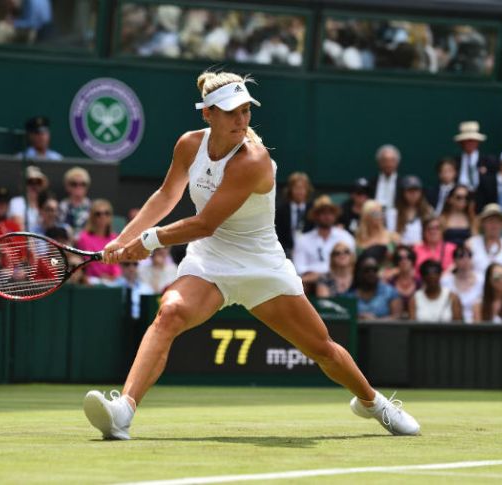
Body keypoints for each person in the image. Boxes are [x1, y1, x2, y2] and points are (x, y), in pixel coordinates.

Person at [82, 70, 420, 440]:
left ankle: (375, 404)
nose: (241, 120)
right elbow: (166, 195)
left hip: (261, 266)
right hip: (209, 260)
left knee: (322, 348)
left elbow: (205, 222)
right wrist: (122, 239)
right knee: (169, 313)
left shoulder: (253, 161)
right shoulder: (188, 146)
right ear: (207, 114)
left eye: (246, 111)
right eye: (231, 112)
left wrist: (145, 243)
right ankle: (122, 413)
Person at [292, 195, 356, 291]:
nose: (327, 216)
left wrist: (327, 275)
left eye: (330, 213)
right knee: (301, 284)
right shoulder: (303, 240)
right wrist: (319, 276)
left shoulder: (345, 237)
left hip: (341, 279)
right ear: (316, 216)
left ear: (335, 216)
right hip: (310, 282)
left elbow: (352, 263)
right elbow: (299, 268)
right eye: (323, 213)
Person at [466, 204, 502, 281]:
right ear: (483, 223)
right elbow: (463, 268)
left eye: (497, 221)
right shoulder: (471, 243)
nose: (494, 225)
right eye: (490, 221)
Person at [75, 199, 122, 285]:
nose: (103, 216)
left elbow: (116, 264)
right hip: (90, 281)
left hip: (113, 280)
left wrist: (112, 277)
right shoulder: (84, 237)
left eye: (106, 213)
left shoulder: (115, 238)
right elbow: (87, 263)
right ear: (92, 217)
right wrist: (102, 277)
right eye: (98, 214)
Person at [347, 255, 402, 321]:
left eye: (375, 270)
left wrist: (376, 320)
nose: (371, 273)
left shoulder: (390, 292)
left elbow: (397, 317)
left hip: (384, 330)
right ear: (359, 272)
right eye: (367, 270)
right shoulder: (350, 296)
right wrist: (357, 318)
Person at [275, 171, 315, 258]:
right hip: (285, 252)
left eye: (303, 188)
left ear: (307, 190)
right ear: (290, 190)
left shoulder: (313, 209)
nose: (299, 191)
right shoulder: (281, 210)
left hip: (309, 252)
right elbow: (278, 234)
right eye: (296, 188)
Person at [441, 245, 483, 323]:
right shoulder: (445, 281)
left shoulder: (481, 280)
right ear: (454, 260)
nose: (465, 260)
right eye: (461, 257)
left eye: (468, 256)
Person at [452, 121, 499, 191]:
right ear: (461, 143)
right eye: (467, 141)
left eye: (473, 140)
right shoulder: (454, 162)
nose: (470, 143)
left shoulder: (489, 161)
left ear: (478, 142)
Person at [354, 199, 401, 266]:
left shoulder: (393, 236)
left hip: (389, 274)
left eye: (381, 213)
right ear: (366, 216)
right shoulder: (358, 238)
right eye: (375, 214)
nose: (380, 216)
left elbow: (403, 262)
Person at [382, 245, 420, 320]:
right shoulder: (389, 283)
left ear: (412, 260)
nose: (404, 261)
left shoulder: (420, 283)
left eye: (408, 257)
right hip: (394, 324)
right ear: (396, 262)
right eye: (400, 258)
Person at [394, 175, 433, 245]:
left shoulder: (429, 211)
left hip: (422, 251)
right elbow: (390, 240)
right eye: (409, 191)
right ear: (403, 193)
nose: (413, 194)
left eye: (416, 190)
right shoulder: (393, 213)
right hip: (400, 252)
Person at [369, 144, 402, 227]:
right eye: (385, 160)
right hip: (374, 219)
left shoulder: (403, 184)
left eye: (392, 160)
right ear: (379, 162)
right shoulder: (371, 183)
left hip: (397, 220)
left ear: (397, 163)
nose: (388, 164)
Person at [9, 165, 50, 231]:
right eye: (30, 182)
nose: (34, 186)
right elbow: (19, 227)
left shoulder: (46, 203)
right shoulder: (16, 202)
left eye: (38, 182)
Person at [59, 167, 93, 236]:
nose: (78, 187)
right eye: (74, 184)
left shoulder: (92, 207)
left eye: (83, 184)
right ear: (67, 186)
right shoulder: (62, 206)